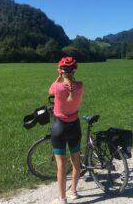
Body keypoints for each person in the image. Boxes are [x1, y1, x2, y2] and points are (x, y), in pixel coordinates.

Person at [49, 56, 84, 204]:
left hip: (59, 127)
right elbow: (71, 84)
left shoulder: (57, 87)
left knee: (61, 165)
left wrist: (59, 76)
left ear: (61, 70)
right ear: (75, 70)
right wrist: (66, 76)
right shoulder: (81, 85)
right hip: (74, 126)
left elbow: (50, 90)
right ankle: (73, 191)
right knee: (76, 161)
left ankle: (62, 199)